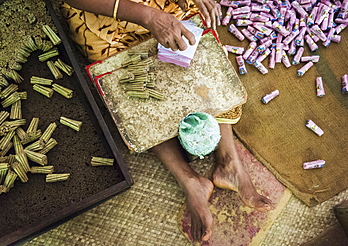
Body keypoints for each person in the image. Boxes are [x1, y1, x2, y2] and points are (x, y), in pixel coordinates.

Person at [61, 0, 273, 242]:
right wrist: (148, 17)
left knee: (197, 49)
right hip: (104, 13)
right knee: (128, 86)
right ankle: (190, 180)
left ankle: (229, 162)